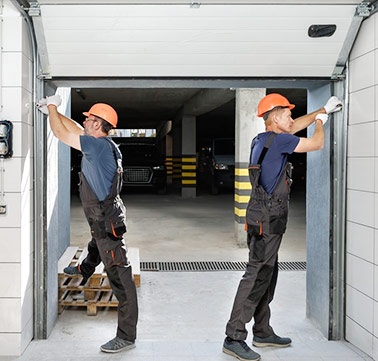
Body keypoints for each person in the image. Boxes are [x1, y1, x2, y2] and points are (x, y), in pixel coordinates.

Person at [223, 93, 342, 361]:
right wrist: (321, 121)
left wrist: (322, 109)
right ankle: (233, 336)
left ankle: (263, 331)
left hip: (262, 218)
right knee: (255, 277)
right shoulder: (280, 141)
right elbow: (316, 143)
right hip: (268, 220)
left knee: (267, 274)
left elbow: (294, 126)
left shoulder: (264, 139)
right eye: (287, 113)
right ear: (275, 117)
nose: (291, 117)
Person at [37, 95, 138, 354]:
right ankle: (85, 268)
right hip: (104, 216)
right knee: (96, 244)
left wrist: (52, 109)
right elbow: (75, 129)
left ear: (97, 124)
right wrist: (53, 112)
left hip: (106, 221)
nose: (86, 123)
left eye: (89, 120)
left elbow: (61, 134)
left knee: (121, 279)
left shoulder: (97, 147)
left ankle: (126, 336)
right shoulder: (101, 144)